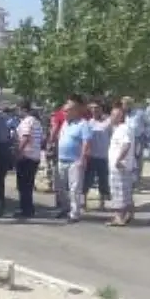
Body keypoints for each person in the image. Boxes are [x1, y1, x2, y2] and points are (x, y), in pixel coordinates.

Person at [54, 95, 92, 223]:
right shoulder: (65, 123)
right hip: (62, 159)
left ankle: (74, 213)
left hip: (75, 161)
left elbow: (86, 143)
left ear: (75, 110)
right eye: (64, 110)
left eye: (67, 110)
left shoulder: (83, 124)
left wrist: (82, 159)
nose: (64, 112)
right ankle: (65, 208)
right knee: (60, 187)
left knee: (74, 188)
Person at [107, 103, 137, 227]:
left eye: (114, 115)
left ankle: (119, 217)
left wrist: (118, 160)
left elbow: (126, 145)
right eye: (111, 115)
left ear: (121, 116)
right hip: (120, 167)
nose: (111, 117)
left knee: (119, 193)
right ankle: (129, 213)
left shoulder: (124, 129)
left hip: (120, 167)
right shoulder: (119, 129)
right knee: (125, 192)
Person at [13, 102, 44, 218]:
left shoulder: (26, 122)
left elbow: (25, 137)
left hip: (25, 156)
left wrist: (18, 152)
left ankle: (25, 209)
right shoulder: (37, 122)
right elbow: (41, 139)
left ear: (23, 109)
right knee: (29, 185)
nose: (17, 112)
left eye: (18, 109)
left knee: (23, 185)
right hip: (35, 156)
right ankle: (29, 208)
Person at [83, 101, 112, 211]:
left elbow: (111, 136)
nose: (94, 110)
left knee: (103, 180)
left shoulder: (108, 122)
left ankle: (102, 204)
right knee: (87, 180)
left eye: (97, 108)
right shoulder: (88, 123)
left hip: (103, 156)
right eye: (93, 108)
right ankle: (84, 203)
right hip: (91, 156)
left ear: (101, 109)